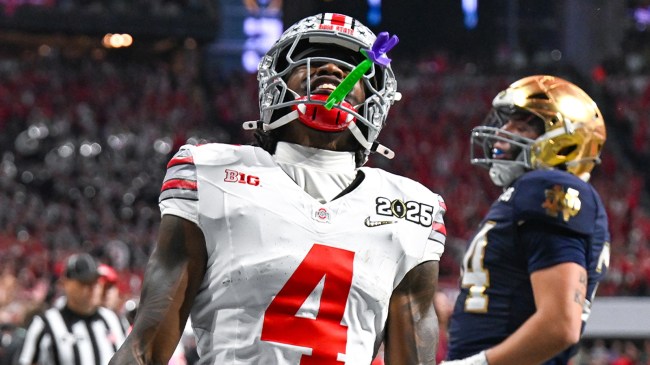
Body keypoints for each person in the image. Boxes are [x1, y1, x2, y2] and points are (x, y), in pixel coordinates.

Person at [110, 12, 447, 365]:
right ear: (276, 83)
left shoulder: (412, 208)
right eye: (309, 58)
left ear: (375, 101)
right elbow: (145, 349)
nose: (332, 70)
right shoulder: (212, 173)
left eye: (350, 64)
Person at [441, 75, 610, 365]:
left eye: (522, 126)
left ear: (565, 141)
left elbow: (560, 324)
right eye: (507, 123)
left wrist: (475, 364)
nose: (503, 133)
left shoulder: (548, 184)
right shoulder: (527, 190)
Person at [18, 253, 128, 365]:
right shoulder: (45, 324)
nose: (92, 288)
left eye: (96, 281)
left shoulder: (115, 321)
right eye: (85, 282)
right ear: (66, 283)